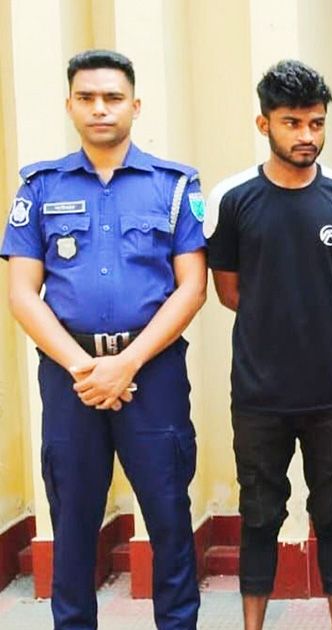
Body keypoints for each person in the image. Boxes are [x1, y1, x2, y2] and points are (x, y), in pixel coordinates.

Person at [2, 49, 206, 630]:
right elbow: (22, 293)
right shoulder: (40, 187)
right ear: (69, 105)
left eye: (113, 97)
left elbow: (192, 287)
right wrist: (84, 368)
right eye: (86, 97)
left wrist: (127, 363)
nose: (99, 108)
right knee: (72, 523)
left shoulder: (174, 185)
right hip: (71, 379)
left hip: (153, 374)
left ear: (135, 106)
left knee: (169, 516)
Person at [204, 60, 332, 630]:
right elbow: (229, 291)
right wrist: (277, 322)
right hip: (259, 394)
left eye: (316, 123)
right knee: (259, 514)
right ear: (265, 124)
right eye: (293, 123)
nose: (307, 135)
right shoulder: (234, 199)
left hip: (329, 393)